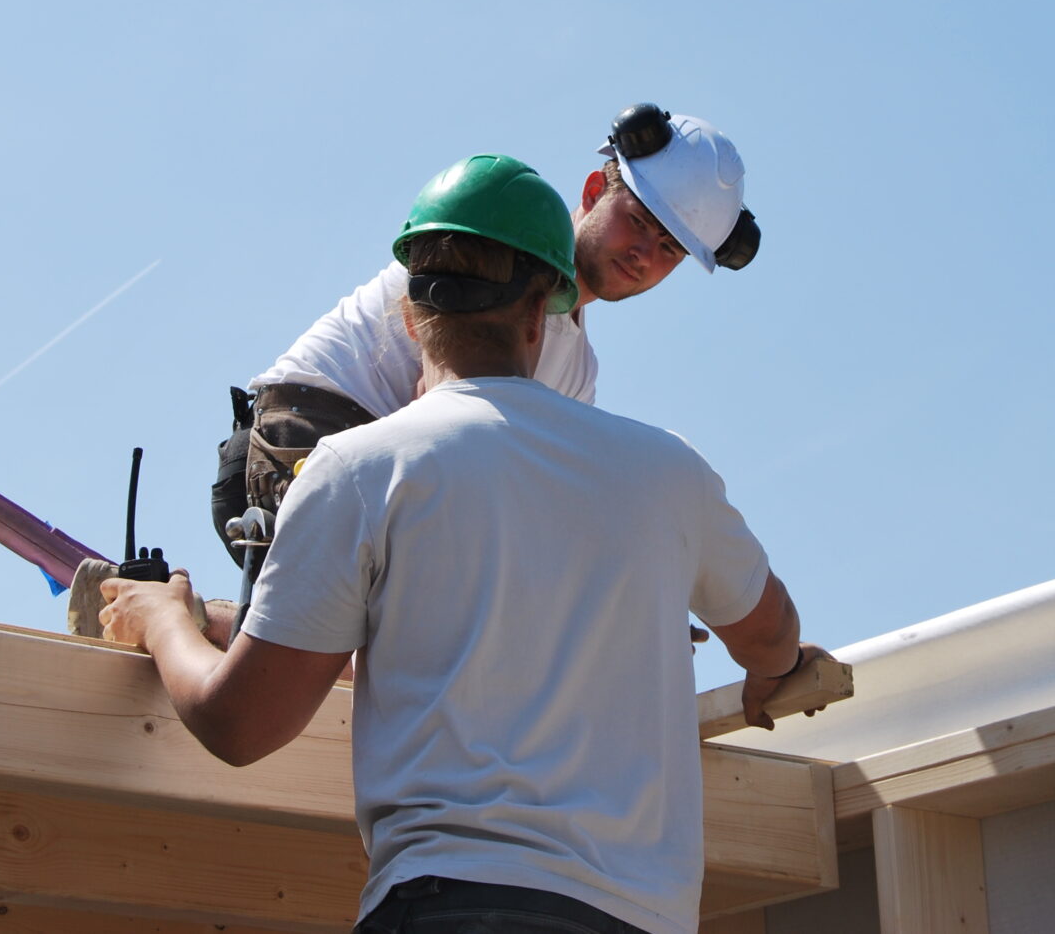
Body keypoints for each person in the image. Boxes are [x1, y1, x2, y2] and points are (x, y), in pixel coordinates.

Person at [105, 154, 818, 934]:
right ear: (539, 313)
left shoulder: (363, 471)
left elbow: (238, 725)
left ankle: (242, 628)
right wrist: (768, 666)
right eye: (641, 222)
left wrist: (161, 618)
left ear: (411, 315)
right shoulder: (669, 470)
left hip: (449, 903)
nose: (646, 251)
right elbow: (772, 633)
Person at [213, 104, 761, 562]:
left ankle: (211, 622)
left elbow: (533, 500)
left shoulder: (578, 371)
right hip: (308, 430)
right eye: (637, 220)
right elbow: (434, 418)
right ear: (595, 190)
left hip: (385, 466)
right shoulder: (498, 234)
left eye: (669, 248)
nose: (643, 253)